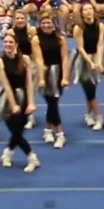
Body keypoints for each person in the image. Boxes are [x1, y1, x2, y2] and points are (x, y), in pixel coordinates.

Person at [0, 31, 40, 173]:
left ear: (16, 44)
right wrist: (13, 104)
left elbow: (29, 83)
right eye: (5, 42)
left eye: (10, 42)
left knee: (18, 130)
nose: (7, 44)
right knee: (14, 129)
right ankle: (32, 156)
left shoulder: (25, 59)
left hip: (24, 96)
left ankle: (8, 152)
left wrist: (31, 102)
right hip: (8, 98)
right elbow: (6, 85)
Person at [34, 13, 70, 149]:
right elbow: (38, 59)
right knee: (52, 102)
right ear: (39, 25)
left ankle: (48, 130)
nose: (46, 25)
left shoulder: (60, 38)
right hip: (45, 71)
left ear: (54, 24)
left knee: (53, 102)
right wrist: (42, 78)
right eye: (43, 23)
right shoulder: (36, 39)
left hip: (58, 72)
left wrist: (65, 77)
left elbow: (65, 59)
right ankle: (60, 133)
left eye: (49, 23)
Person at [71, 5, 104, 130]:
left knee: (92, 88)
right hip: (83, 60)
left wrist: (99, 62)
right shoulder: (78, 28)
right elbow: (80, 48)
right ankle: (99, 116)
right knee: (89, 89)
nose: (88, 12)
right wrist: (90, 63)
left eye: (90, 9)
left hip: (95, 56)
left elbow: (100, 45)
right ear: (82, 13)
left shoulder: (100, 26)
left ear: (94, 11)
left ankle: (88, 114)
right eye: (85, 10)